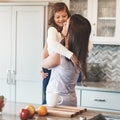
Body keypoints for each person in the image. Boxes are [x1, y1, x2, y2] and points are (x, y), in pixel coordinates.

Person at [41, 14, 91, 106]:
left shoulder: (59, 55)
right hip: (71, 100)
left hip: (57, 102)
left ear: (71, 32)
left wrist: (49, 40)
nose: (63, 24)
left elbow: (43, 62)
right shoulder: (80, 54)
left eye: (66, 23)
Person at [41, 2, 74, 104]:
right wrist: (42, 67)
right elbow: (49, 48)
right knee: (48, 99)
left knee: (60, 97)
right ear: (53, 18)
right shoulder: (52, 30)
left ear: (68, 16)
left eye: (64, 16)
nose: (61, 19)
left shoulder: (72, 31)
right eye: (57, 17)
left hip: (62, 68)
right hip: (50, 69)